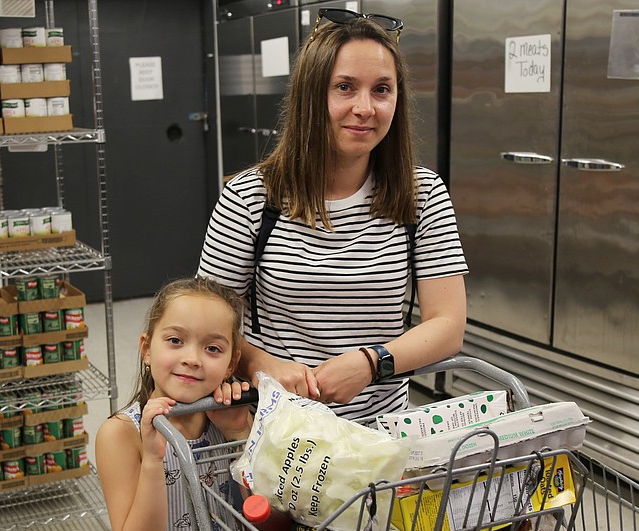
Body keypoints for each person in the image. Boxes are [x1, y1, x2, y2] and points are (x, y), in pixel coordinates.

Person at [198, 9, 468, 421]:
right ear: (311, 95)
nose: (365, 108)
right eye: (344, 87)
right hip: (277, 432)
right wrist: (261, 364)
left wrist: (372, 362)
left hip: (380, 438)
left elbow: (447, 323)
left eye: (382, 90)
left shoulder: (421, 194)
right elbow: (205, 322)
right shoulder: (251, 196)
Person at [97, 277, 253, 531]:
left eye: (212, 348)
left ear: (232, 364)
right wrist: (153, 460)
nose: (192, 359)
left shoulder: (229, 420)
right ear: (146, 349)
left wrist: (240, 435)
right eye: (175, 341)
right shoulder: (120, 434)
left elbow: (265, 520)